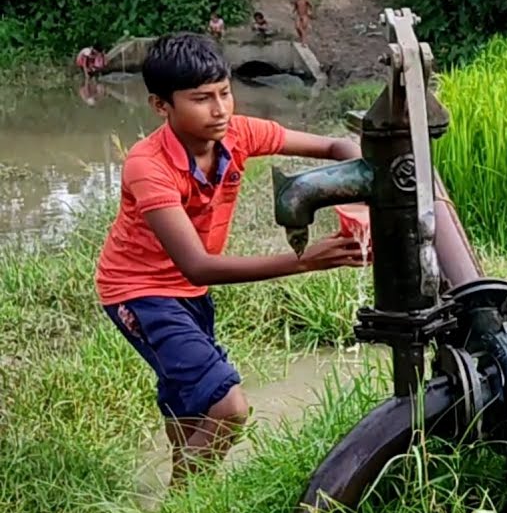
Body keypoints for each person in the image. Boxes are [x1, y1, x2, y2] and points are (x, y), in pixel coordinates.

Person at [94, 32, 367, 489]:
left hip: (189, 293)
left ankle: (180, 486)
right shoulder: (149, 165)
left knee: (188, 401)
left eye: (224, 92)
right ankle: (185, 507)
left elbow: (339, 149)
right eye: (201, 99)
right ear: (161, 106)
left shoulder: (236, 134)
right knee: (228, 406)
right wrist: (305, 260)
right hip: (140, 291)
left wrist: (362, 200)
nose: (220, 109)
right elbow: (197, 265)